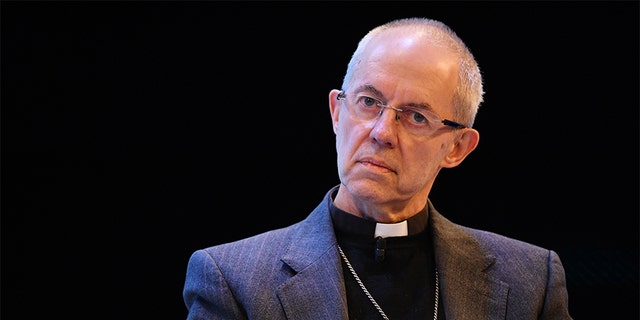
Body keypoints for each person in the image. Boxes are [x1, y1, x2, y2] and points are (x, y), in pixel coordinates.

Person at [182, 17, 573, 319]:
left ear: (457, 147)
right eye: (369, 102)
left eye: (416, 116)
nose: (382, 133)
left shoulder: (531, 281)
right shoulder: (234, 280)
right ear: (337, 112)